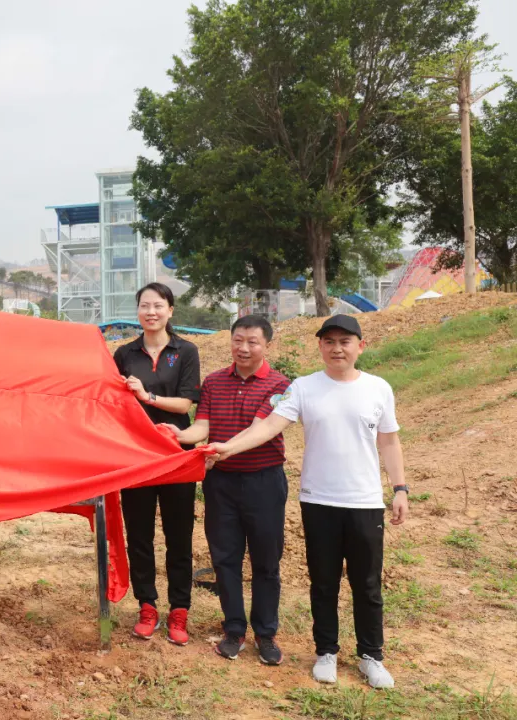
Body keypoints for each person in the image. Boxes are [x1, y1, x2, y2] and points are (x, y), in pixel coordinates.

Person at [206, 314, 409, 689]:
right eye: (329, 341)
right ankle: (326, 652)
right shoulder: (302, 388)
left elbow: (389, 441)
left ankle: (371, 655)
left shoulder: (379, 388)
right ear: (319, 346)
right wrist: (227, 448)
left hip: (365, 501)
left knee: (367, 584)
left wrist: (400, 488)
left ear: (360, 347)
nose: (336, 348)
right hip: (318, 500)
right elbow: (268, 426)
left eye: (345, 342)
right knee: (323, 581)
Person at [163, 315, 290, 666]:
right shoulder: (215, 381)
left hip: (264, 481)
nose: (243, 348)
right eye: (238, 340)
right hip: (221, 484)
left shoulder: (280, 384)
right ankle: (234, 629)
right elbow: (201, 425)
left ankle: (266, 634)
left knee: (266, 561)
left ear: (267, 345)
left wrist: (219, 448)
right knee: (225, 559)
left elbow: (258, 430)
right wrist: (177, 434)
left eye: (252, 342)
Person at [112, 283, 201, 645]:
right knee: (140, 536)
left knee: (178, 536)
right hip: (135, 457)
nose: (151, 312)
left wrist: (146, 396)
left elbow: (186, 405)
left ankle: (179, 611)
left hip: (175, 455)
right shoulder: (123, 354)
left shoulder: (186, 351)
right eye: (145, 306)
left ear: (170, 311)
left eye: (158, 306)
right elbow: (112, 401)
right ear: (137, 312)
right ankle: (147, 606)